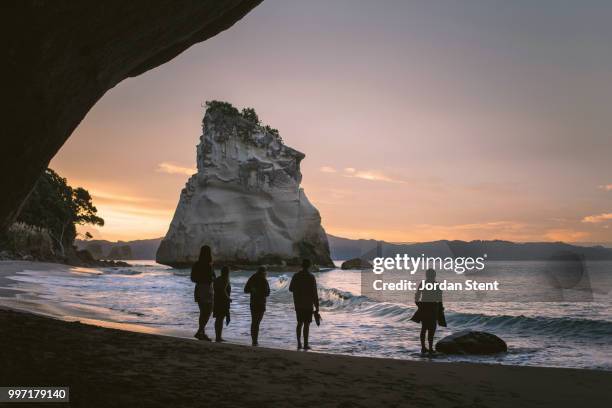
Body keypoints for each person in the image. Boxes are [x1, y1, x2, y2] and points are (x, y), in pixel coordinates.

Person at [411, 268, 446, 354]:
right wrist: (441, 309)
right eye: (433, 275)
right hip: (433, 308)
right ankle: (430, 348)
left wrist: (419, 306)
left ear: (427, 275)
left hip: (425, 308)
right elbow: (440, 299)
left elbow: (416, 297)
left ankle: (424, 348)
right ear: (434, 275)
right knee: (431, 329)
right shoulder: (436, 285)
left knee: (424, 328)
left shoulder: (423, 284)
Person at [289, 259, 319, 350]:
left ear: (301, 265)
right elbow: (314, 293)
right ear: (309, 266)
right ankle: (305, 344)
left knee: (299, 323)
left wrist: (298, 290)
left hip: (298, 304)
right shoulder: (311, 277)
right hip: (308, 304)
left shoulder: (296, 276)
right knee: (306, 325)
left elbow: (290, 289)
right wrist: (317, 306)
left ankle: (299, 344)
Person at [191, 245, 215, 341]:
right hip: (207, 289)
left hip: (198, 288)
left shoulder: (196, 264)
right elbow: (211, 278)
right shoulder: (209, 265)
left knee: (203, 312)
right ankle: (200, 331)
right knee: (208, 311)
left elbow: (192, 278)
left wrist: (200, 280)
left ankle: (202, 332)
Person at [244, 266, 270, 346]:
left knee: (254, 322)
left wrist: (253, 290)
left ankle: (254, 340)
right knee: (257, 323)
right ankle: (255, 341)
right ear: (264, 272)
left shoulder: (253, 278)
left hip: (253, 303)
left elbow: (245, 290)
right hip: (261, 303)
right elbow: (267, 293)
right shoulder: (263, 280)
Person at [213, 266, 231, 342]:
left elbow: (215, 288)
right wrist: (228, 298)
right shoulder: (225, 279)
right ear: (227, 272)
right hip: (222, 301)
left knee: (218, 319)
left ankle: (218, 336)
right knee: (220, 319)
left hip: (216, 300)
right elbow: (223, 290)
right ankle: (218, 337)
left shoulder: (217, 279)